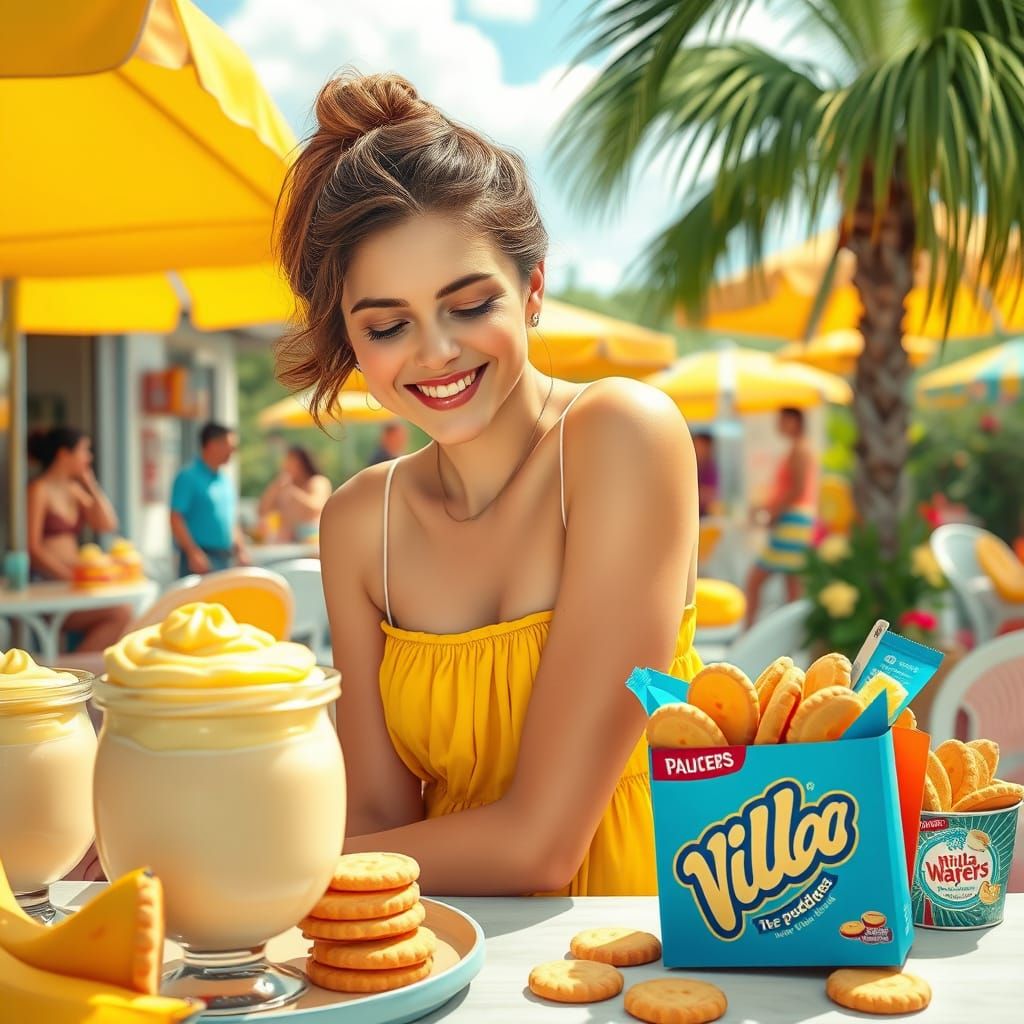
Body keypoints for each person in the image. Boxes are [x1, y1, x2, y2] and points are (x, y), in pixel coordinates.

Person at [274, 71, 701, 897]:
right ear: (354, 343)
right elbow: (374, 813)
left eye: (469, 305)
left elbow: (542, 846)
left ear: (533, 290)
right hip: (439, 948)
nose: (433, 352)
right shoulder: (363, 523)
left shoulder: (621, 435)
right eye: (388, 325)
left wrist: (263, 867)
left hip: (633, 945)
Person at [26, 427, 131, 651]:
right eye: (84, 450)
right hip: (48, 585)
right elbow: (32, 548)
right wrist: (69, 577)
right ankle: (71, 675)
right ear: (64, 454)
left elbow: (107, 524)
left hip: (73, 584)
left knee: (124, 613)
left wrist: (90, 483)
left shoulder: (74, 490)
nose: (89, 457)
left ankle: (72, 671)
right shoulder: (39, 490)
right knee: (120, 613)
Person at [744, 407, 820, 625]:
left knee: (756, 580)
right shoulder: (800, 449)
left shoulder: (800, 450)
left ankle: (748, 630)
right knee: (792, 584)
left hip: (793, 519)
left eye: (783, 420)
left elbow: (796, 490)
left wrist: (773, 513)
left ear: (795, 422)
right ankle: (790, 635)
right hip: (797, 519)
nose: (779, 425)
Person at [169, 422, 250, 577]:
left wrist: (240, 550)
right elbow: (176, 518)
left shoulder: (225, 480)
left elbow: (230, 520)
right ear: (213, 445)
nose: (233, 451)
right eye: (230, 445)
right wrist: (192, 552)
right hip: (199, 558)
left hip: (225, 557)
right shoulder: (188, 477)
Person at [258, 445, 332, 541]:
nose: (286, 465)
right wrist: (275, 487)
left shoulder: (318, 482)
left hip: (312, 539)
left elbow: (316, 507)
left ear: (303, 463)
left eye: (291, 461)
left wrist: (293, 491)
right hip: (286, 541)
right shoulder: (283, 486)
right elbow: (262, 510)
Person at [692, 431, 719, 518]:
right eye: (699, 446)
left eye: (705, 447)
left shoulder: (710, 467)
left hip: (703, 515)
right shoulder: (687, 465)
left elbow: (711, 494)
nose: (701, 450)